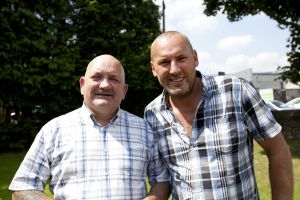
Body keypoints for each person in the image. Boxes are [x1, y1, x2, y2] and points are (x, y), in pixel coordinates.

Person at [144, 31, 294, 200]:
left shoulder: (237, 91)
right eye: (164, 62)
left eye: (181, 58)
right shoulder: (152, 115)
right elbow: (164, 179)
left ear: (195, 58)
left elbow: (278, 151)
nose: (174, 69)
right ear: (153, 69)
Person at [9, 54, 170, 200]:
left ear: (124, 91)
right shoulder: (53, 130)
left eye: (114, 79)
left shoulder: (145, 130)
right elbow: (23, 187)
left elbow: (162, 180)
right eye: (97, 77)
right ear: (82, 85)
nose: (105, 85)